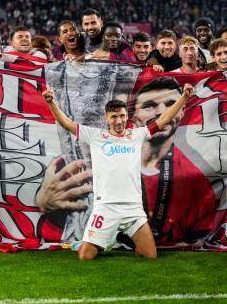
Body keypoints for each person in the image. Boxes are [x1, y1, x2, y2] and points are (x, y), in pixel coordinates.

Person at [42, 82, 194, 260]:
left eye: (122, 116)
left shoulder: (138, 135)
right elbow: (66, 123)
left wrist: (184, 97)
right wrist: (51, 103)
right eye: (114, 117)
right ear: (107, 118)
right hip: (106, 208)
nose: (119, 121)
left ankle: (115, 240)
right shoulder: (95, 136)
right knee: (85, 256)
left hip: (133, 208)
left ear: (127, 116)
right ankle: (100, 242)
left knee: (150, 255)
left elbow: (164, 119)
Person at [130, 77, 217, 245]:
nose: (161, 113)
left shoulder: (195, 179)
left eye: (171, 104)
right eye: (149, 106)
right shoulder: (115, 161)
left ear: (182, 111)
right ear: (134, 115)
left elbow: (198, 238)